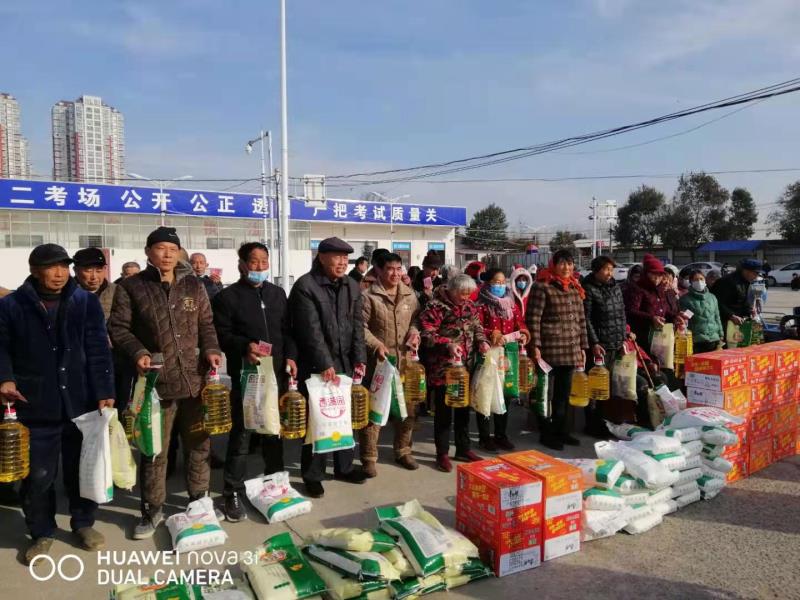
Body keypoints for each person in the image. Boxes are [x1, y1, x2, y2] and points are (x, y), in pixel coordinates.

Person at [0, 244, 114, 563]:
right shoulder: (12, 306)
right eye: (52, 267)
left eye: (64, 266)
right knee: (38, 476)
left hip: (81, 401)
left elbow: (98, 349)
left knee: (82, 469)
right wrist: (5, 379)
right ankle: (42, 532)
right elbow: (1, 348)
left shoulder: (85, 302)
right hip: (34, 403)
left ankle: (83, 523)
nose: (60, 273)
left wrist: (104, 389)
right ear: (35, 271)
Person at [108, 227, 222, 539]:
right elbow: (118, 328)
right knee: (154, 450)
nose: (167, 254)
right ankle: (152, 509)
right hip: (157, 383)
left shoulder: (193, 285)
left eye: (173, 249)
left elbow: (206, 324)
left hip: (195, 380)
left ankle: (199, 501)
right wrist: (138, 352)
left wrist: (211, 350)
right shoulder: (132, 287)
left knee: (199, 444)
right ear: (148, 252)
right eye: (160, 248)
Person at [211, 242, 297, 521]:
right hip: (248, 374)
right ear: (242, 264)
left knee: (273, 431)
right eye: (254, 261)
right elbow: (222, 334)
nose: (260, 267)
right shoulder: (227, 298)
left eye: (264, 261)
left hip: (276, 373)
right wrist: (244, 346)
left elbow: (288, 331)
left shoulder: (277, 294)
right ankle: (232, 491)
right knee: (243, 433)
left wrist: (291, 357)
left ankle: (275, 481)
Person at [289, 237, 368, 498]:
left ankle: (345, 467)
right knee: (318, 420)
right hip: (316, 365)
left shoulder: (351, 286)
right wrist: (324, 363)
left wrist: (360, 358)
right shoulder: (306, 286)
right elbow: (309, 330)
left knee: (343, 417)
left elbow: (358, 326)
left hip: (345, 363)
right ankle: (313, 475)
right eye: (337, 256)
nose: (343, 262)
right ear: (322, 257)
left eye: (346, 257)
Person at [359, 252, 421, 477]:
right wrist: (376, 345)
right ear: (379, 270)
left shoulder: (410, 295)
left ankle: (403, 450)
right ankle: (369, 457)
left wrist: (414, 333)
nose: (395, 273)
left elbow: (416, 320)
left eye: (398, 269)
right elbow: (361, 327)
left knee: (407, 409)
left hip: (405, 362)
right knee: (374, 410)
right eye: (390, 269)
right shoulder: (369, 296)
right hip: (380, 362)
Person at [420, 274, 489, 472]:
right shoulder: (435, 306)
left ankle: (463, 448)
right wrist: (447, 344)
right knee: (444, 412)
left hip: (465, 366)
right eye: (462, 293)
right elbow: (427, 334)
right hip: (444, 368)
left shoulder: (470, 306)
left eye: (468, 293)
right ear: (451, 290)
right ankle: (442, 453)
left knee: (463, 410)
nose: (465, 297)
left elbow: (477, 327)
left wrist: (482, 341)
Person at [526, 250, 588, 451]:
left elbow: (581, 320)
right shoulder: (542, 286)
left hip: (571, 349)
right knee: (545, 394)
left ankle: (562, 431)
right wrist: (535, 346)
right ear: (554, 265)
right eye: (562, 263)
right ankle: (546, 433)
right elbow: (533, 318)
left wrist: (583, 346)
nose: (566, 268)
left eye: (569, 264)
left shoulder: (575, 287)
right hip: (549, 350)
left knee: (563, 394)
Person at [474, 268, 528, 451]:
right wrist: (492, 334)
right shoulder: (480, 305)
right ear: (488, 283)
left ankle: (500, 434)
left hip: (507, 355)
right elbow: (476, 327)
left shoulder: (511, 304)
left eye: (503, 282)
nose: (500, 286)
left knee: (505, 394)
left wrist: (523, 334)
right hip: (488, 355)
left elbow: (520, 323)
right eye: (497, 282)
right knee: (486, 394)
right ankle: (484, 437)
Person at [582, 255, 627, 437]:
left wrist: (623, 338)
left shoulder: (615, 286)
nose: (610, 273)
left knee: (606, 386)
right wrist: (594, 342)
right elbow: (586, 319)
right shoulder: (588, 288)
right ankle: (592, 424)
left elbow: (621, 313)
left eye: (611, 269)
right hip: (599, 345)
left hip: (615, 342)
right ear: (596, 271)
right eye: (606, 269)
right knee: (595, 386)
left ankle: (602, 421)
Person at [624, 254, 685, 358]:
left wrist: (675, 316)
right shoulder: (637, 289)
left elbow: (664, 309)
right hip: (642, 335)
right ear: (646, 274)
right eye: (653, 274)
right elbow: (631, 311)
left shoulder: (660, 289)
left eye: (660, 275)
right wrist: (652, 318)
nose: (657, 278)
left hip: (659, 335)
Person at [679, 270, 724, 354]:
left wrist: (721, 334)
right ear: (691, 282)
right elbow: (687, 319)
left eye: (701, 279)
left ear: (705, 280)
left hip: (714, 338)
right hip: (696, 341)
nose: (699, 281)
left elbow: (717, 317)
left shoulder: (712, 297)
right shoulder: (685, 300)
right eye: (696, 280)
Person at [712, 258, 763, 330]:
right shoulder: (727, 281)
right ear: (746, 271)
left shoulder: (746, 282)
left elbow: (742, 300)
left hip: (739, 321)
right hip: (725, 322)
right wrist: (731, 316)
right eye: (755, 273)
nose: (756, 277)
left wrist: (750, 310)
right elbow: (717, 302)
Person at [73, 247, 116, 321]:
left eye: (99, 271)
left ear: (105, 269)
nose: (94, 277)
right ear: (76, 270)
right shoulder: (65, 292)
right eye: (88, 271)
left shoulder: (117, 292)